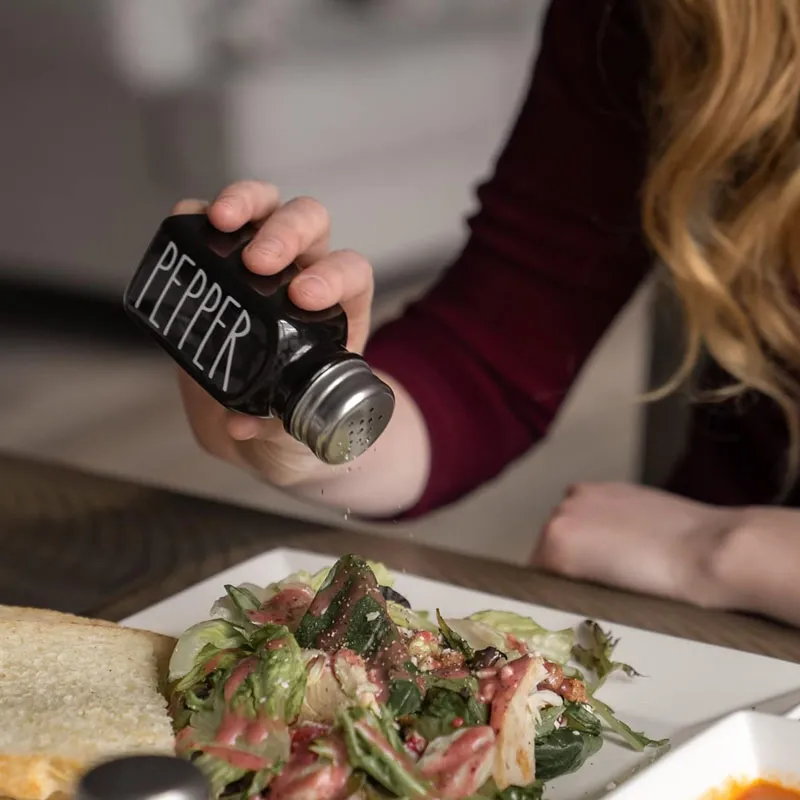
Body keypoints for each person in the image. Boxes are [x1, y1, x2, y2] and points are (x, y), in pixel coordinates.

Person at [175, 0, 800, 627]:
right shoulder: (658, 15)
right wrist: (299, 423)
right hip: (707, 612)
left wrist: (721, 551)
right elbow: (486, 361)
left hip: (702, 568)